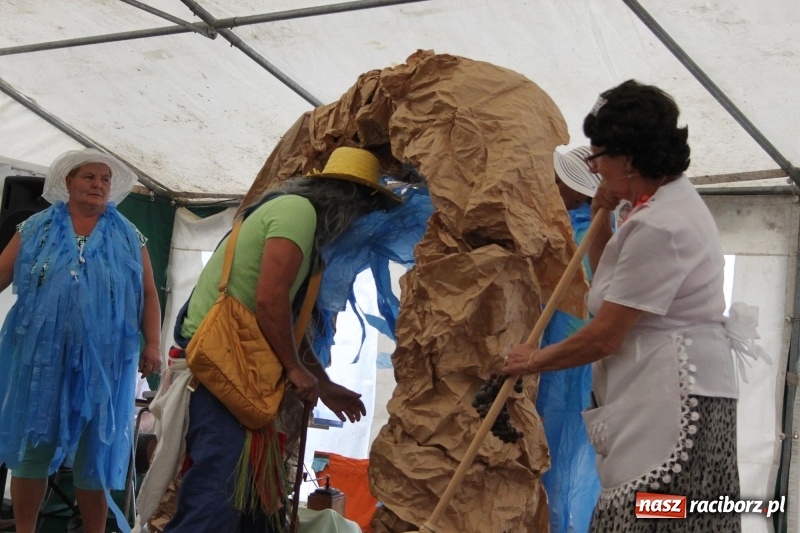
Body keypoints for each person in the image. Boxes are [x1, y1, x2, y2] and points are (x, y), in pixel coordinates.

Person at [503, 80, 764, 531]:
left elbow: (606, 334)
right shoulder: (651, 208)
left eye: (598, 155)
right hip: (660, 387)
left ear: (628, 157)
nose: (595, 166)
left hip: (675, 398)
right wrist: (604, 216)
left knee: (653, 512)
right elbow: (610, 279)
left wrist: (535, 360)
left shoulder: (663, 224)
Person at [161, 146, 402, 533]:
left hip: (243, 370)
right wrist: (293, 368)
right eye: (364, 214)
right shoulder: (297, 213)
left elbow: (289, 320)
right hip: (224, 369)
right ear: (350, 203)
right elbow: (269, 301)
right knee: (217, 500)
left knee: (253, 504)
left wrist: (321, 382)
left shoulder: (308, 236)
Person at [0, 148, 162, 533]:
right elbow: (2, 273)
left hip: (105, 364)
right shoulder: (35, 227)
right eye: (90, 177)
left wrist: (153, 343)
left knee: (95, 454)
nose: (99, 185)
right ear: (68, 182)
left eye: (105, 179)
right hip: (40, 359)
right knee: (32, 449)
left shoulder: (128, 235)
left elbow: (149, 293)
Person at [538, 146, 601, 533]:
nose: (552, 185)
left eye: (559, 180)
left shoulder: (583, 233)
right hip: (561, 364)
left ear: (578, 191)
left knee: (562, 473)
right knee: (560, 471)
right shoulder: (571, 226)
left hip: (568, 369)